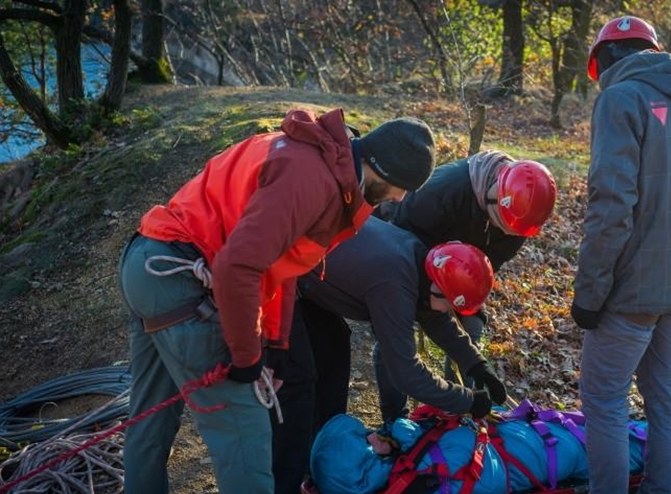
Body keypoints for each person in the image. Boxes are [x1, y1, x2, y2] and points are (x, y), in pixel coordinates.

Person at [117, 109, 435, 494]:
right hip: (181, 279)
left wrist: (273, 347)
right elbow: (238, 267)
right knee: (244, 429)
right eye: (401, 187)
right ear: (383, 170)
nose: (400, 198)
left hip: (148, 265)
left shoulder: (318, 162)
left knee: (151, 421)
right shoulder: (311, 179)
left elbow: (280, 271)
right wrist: (248, 358)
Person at [571, 15, 671, 494]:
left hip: (632, 292)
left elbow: (611, 204)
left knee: (602, 398)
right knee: (665, 398)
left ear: (607, 59)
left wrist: (590, 292)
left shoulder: (619, 99)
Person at [274, 217, 506, 493]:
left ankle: (328, 455)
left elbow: (435, 317)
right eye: (451, 305)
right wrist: (467, 401)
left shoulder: (422, 262)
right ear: (440, 289)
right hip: (282, 280)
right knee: (301, 381)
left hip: (310, 275)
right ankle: (289, 477)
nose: (448, 312)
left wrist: (477, 365)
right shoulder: (393, 285)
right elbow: (407, 373)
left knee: (334, 354)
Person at [372, 150, 555, 417]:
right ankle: (394, 419)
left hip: (460, 270)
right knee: (397, 341)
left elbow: (485, 270)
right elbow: (398, 244)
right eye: (502, 224)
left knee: (471, 328)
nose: (506, 233)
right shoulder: (442, 193)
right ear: (493, 195)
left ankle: (464, 410)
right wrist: (423, 302)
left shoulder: (521, 216)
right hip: (404, 249)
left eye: (512, 230)